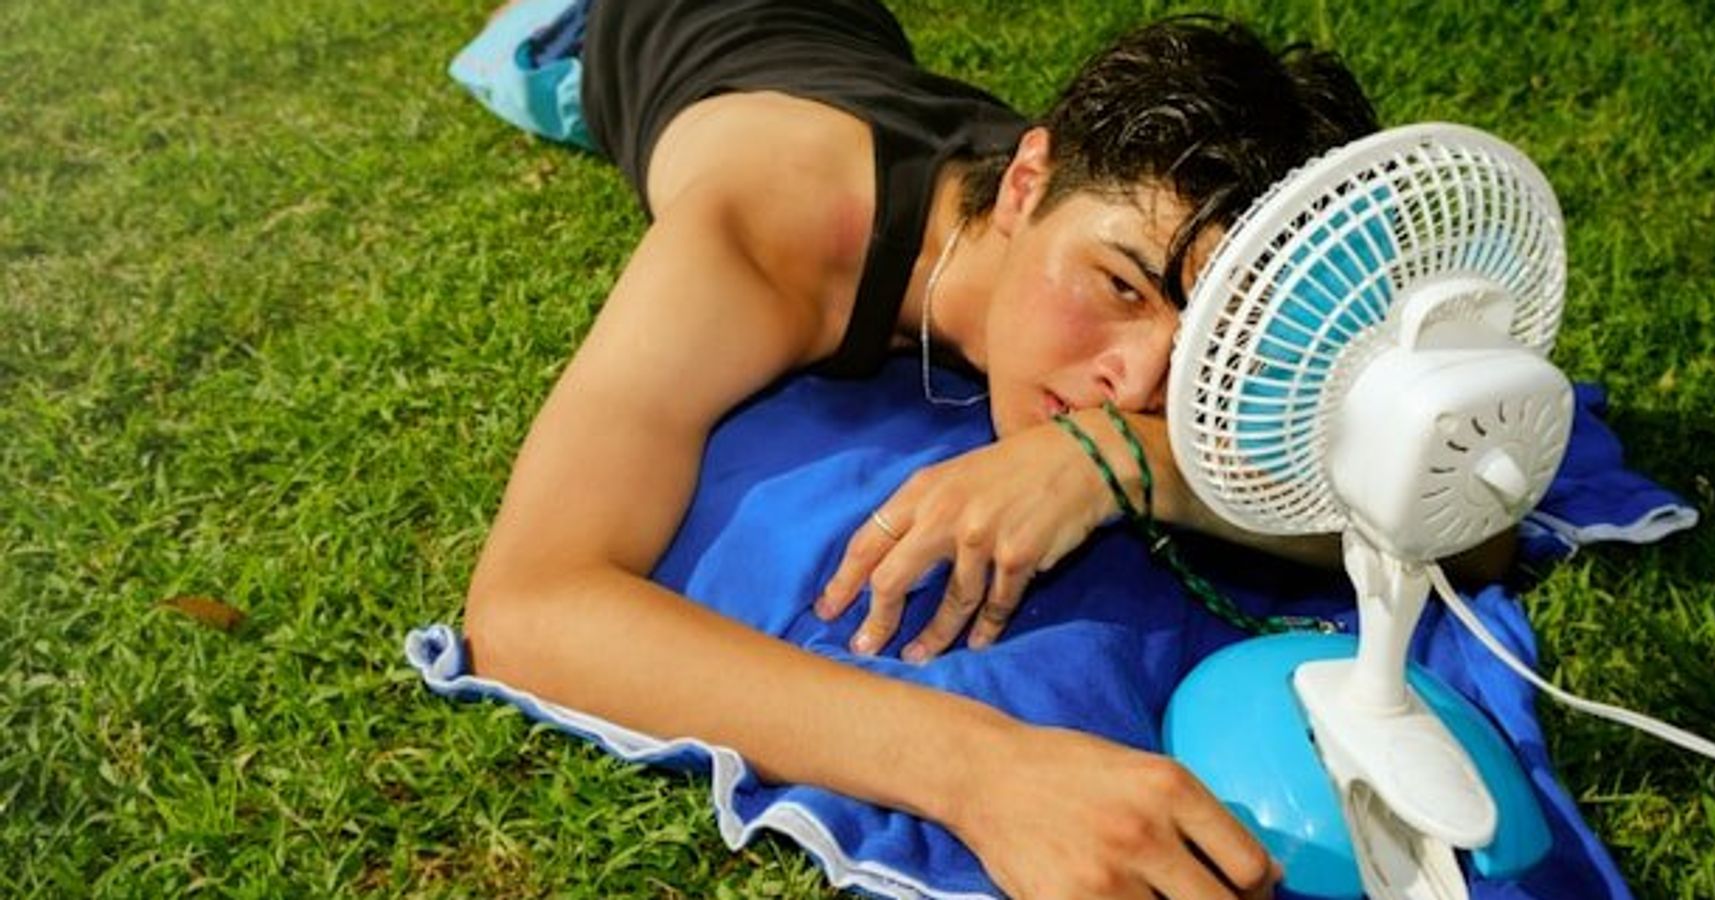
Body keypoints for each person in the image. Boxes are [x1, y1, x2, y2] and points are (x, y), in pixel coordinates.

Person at [463, 1, 1392, 896]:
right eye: (1118, 288)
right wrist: (987, 772)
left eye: (1205, 348)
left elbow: (1467, 534)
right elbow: (527, 606)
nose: (1142, 385)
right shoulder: (759, 235)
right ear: (1027, 185)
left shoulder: (1139, 216)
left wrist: (1123, 460)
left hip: (844, 36)